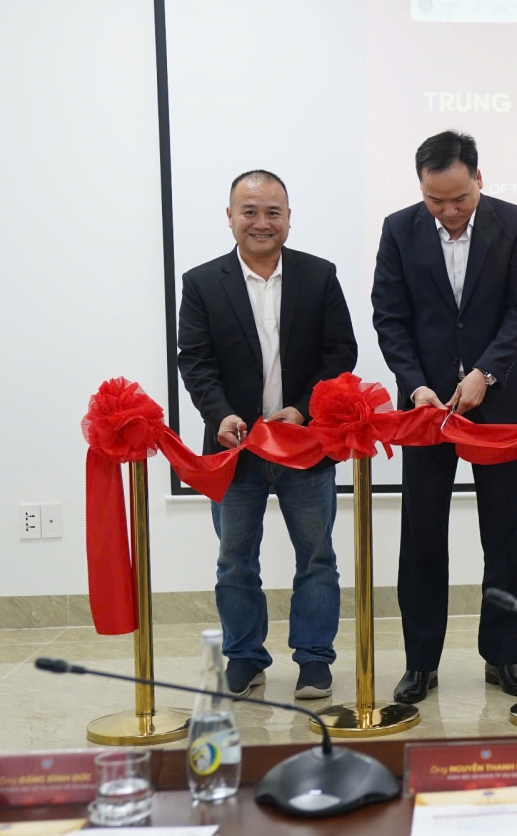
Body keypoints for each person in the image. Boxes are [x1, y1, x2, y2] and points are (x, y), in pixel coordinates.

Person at [371, 131, 517, 702]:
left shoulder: (513, 223)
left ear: (479, 180)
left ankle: (503, 656)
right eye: (435, 200)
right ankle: (421, 662)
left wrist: (485, 372)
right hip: (426, 408)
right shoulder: (399, 229)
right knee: (422, 534)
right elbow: (390, 318)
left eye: (459, 199)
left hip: (499, 401)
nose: (447, 211)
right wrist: (415, 385)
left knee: (504, 533)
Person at [177, 170, 357, 698]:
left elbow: (341, 352)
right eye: (249, 212)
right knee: (235, 561)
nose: (261, 222)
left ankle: (315, 659)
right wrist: (220, 415)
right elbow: (195, 361)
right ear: (230, 217)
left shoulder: (319, 275)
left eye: (272, 212)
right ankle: (245, 658)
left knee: (317, 557)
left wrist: (304, 409)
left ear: (288, 218)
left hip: (304, 446)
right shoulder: (201, 282)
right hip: (235, 449)